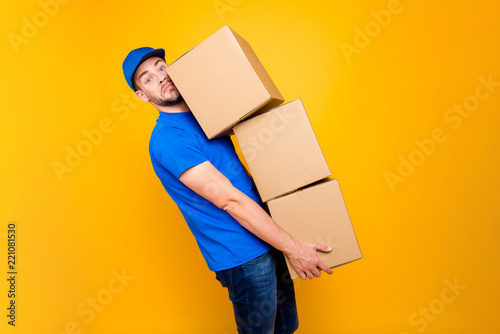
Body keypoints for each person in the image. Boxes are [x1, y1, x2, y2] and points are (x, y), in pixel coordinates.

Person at [122, 47, 333, 333]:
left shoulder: (204, 115)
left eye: (161, 67)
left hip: (268, 233)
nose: (159, 77)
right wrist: (294, 248)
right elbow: (230, 200)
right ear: (142, 96)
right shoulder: (170, 138)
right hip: (243, 256)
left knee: (286, 326)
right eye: (147, 79)